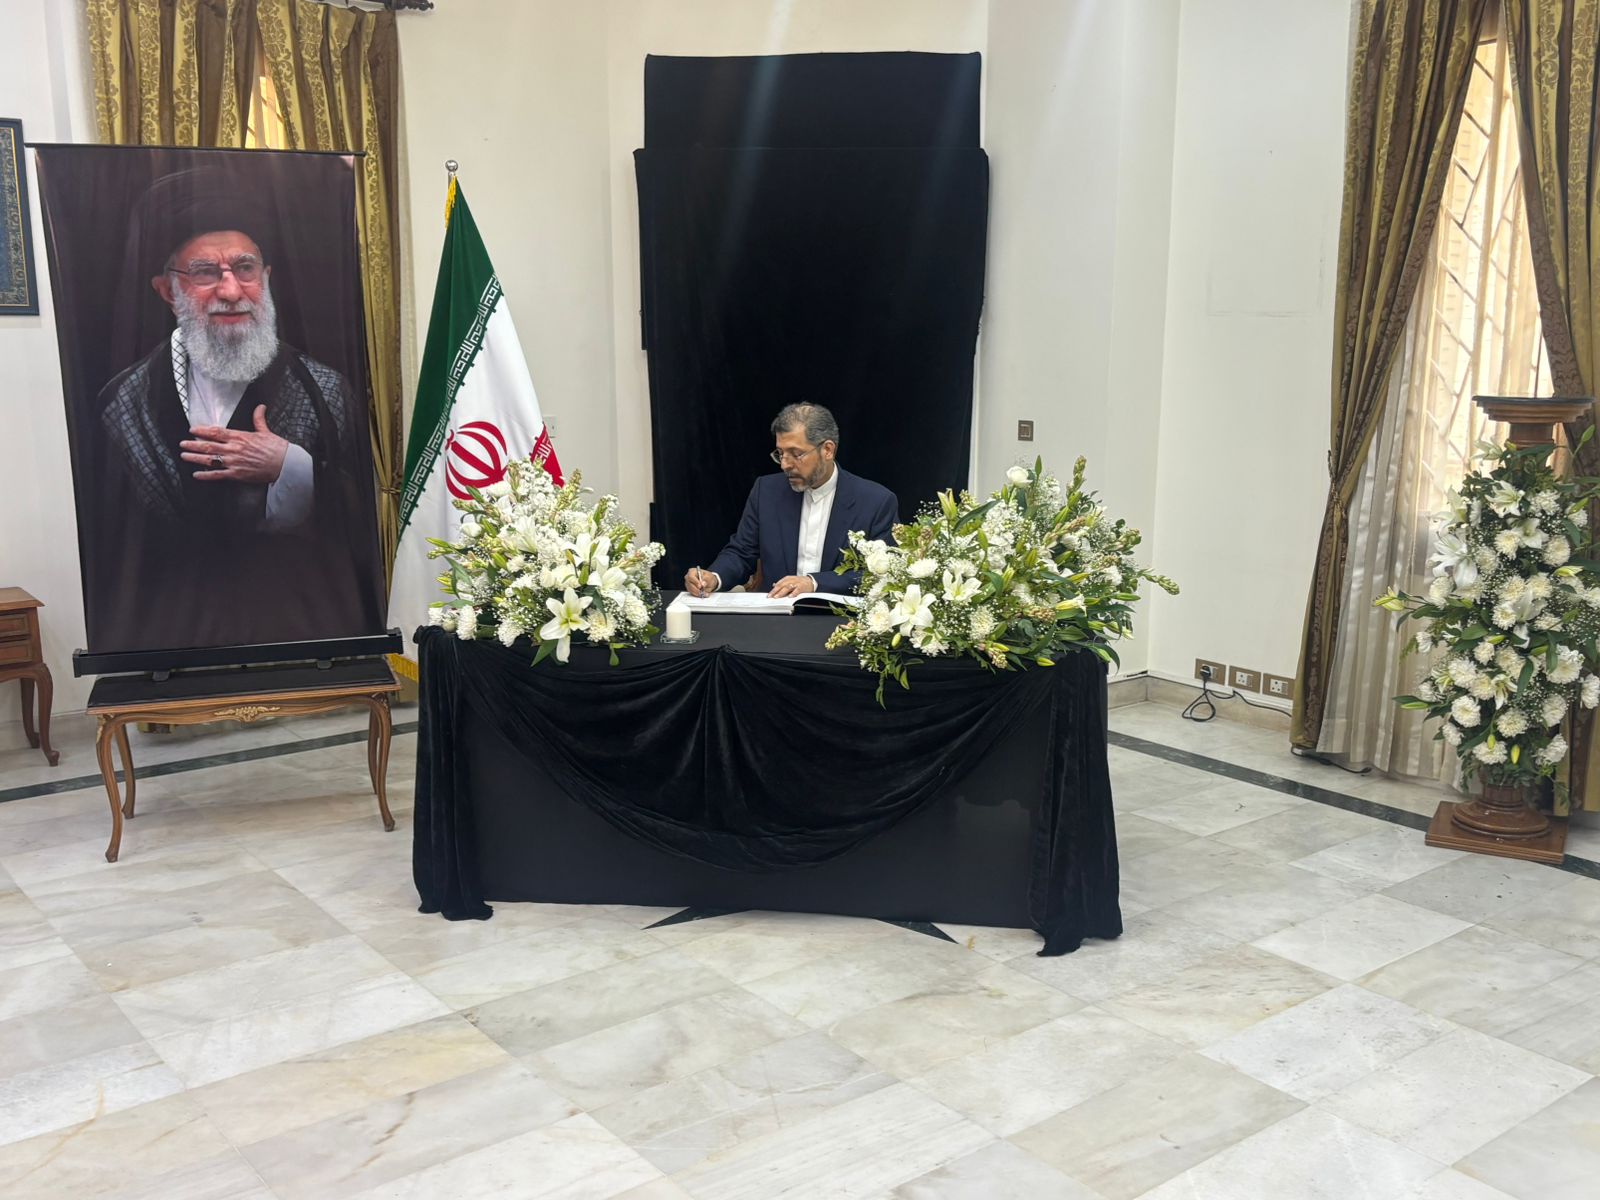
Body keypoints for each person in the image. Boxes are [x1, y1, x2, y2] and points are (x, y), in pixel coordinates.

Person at [83, 167, 382, 653]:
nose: (230, 290)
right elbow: (116, 537)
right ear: (167, 291)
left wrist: (288, 466)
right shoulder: (123, 403)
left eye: (244, 269)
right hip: (174, 629)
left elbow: (357, 519)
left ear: (264, 277)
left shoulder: (326, 389)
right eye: (204, 273)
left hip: (300, 625)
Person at [685, 403, 898, 598]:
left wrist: (814, 583)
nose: (785, 465)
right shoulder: (766, 491)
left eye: (796, 454)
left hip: (838, 622)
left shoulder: (876, 502)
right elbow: (742, 552)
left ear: (827, 450)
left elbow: (880, 574)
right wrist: (714, 576)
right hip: (776, 621)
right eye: (780, 453)